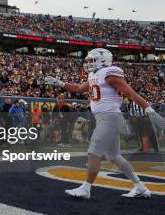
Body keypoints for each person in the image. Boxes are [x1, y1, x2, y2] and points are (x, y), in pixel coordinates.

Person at [45, 48, 165, 199]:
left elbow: (130, 93)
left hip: (110, 117)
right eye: (88, 60)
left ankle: (86, 189)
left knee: (93, 152)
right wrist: (59, 83)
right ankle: (140, 187)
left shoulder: (110, 73)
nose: (89, 63)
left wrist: (149, 110)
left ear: (104, 60)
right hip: (104, 118)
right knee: (114, 156)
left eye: (92, 60)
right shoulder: (94, 74)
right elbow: (79, 89)